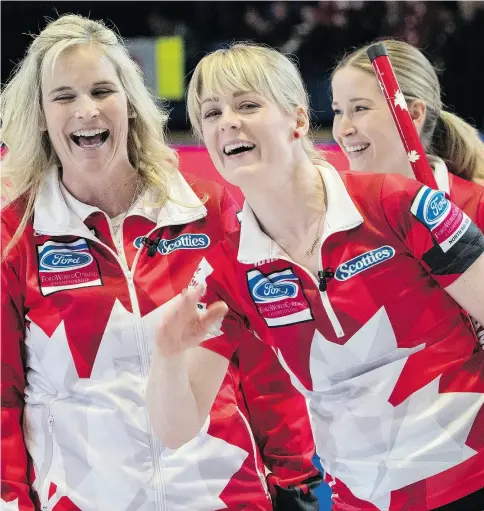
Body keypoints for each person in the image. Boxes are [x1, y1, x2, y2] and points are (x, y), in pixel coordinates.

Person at [146, 43, 484, 511]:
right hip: (366, 502)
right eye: (211, 113)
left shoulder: (398, 204)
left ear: (298, 120)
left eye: (248, 104)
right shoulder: (228, 270)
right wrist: (167, 355)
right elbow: (177, 428)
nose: (227, 120)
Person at [0, 16, 322, 511]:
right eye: (64, 97)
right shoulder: (16, 235)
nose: (86, 110)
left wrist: (296, 478)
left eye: (102, 90)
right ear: (41, 116)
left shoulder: (209, 211)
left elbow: (265, 361)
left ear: (129, 101)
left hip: (222, 496)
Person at [330, 39, 484, 244]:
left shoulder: (482, 211)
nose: (343, 130)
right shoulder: (338, 218)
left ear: (414, 114)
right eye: (338, 111)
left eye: (360, 108)